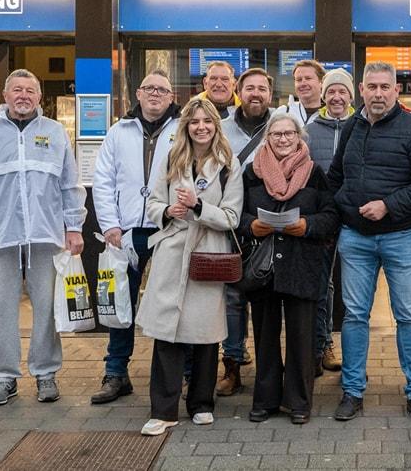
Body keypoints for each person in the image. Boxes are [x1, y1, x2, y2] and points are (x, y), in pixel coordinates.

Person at [0, 68, 86, 406]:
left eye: (30, 91)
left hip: (45, 236)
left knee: (46, 308)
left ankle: (45, 373)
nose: (23, 96)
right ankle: (4, 377)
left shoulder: (56, 132)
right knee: (2, 308)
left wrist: (73, 227)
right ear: (5, 96)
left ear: (39, 97)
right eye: (17, 90)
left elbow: (69, 185)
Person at [328, 61, 411, 422]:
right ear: (361, 90)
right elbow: (335, 177)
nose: (378, 94)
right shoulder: (351, 127)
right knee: (355, 316)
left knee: (408, 315)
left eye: (384, 87)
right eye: (371, 87)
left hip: (402, 236)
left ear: (396, 91)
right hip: (355, 238)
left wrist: (388, 206)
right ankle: (352, 391)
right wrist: (344, 209)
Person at [135, 98, 243, 436]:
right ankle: (163, 410)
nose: (201, 127)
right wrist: (168, 212)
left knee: (205, 334)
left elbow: (231, 217)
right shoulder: (171, 158)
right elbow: (152, 202)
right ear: (186, 126)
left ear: (216, 126)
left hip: (208, 254)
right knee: (167, 333)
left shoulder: (228, 164)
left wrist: (198, 207)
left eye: (207, 122)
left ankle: (201, 403)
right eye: (194, 122)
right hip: (173, 251)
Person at [237, 113, 340, 424]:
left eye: (289, 134)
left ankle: (298, 402)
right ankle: (266, 399)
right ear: (267, 138)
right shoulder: (251, 174)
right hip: (264, 266)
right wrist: (251, 226)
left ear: (300, 138)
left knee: (302, 337)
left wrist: (307, 225)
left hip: (302, 263)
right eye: (276, 134)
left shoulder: (314, 173)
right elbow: (237, 214)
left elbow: (331, 215)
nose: (283, 139)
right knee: (265, 336)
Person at [90, 70, 181, 404]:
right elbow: (102, 181)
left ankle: (178, 373)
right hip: (125, 233)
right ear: (138, 94)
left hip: (168, 229)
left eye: (162, 90)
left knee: (170, 304)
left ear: (172, 97)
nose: (155, 94)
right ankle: (116, 372)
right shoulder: (118, 131)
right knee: (120, 305)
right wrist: (111, 225)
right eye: (149, 89)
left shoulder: (182, 129)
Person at [216, 67, 276, 396]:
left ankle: (271, 368)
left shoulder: (281, 125)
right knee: (233, 298)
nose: (256, 94)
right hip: (231, 222)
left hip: (270, 222)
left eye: (262, 89)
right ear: (239, 91)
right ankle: (232, 365)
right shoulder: (221, 129)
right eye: (250, 88)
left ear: (270, 94)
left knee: (269, 298)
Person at [305, 68, 356, 375]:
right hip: (321, 217)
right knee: (323, 282)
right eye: (332, 92)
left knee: (351, 288)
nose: (337, 97)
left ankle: (349, 351)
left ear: (352, 95)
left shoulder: (362, 125)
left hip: (354, 217)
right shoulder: (310, 128)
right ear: (323, 95)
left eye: (343, 92)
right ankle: (322, 345)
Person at [280, 59, 325, 127]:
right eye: (299, 80)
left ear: (321, 82)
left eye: (308, 78)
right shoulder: (283, 113)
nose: (303, 83)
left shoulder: (331, 115)